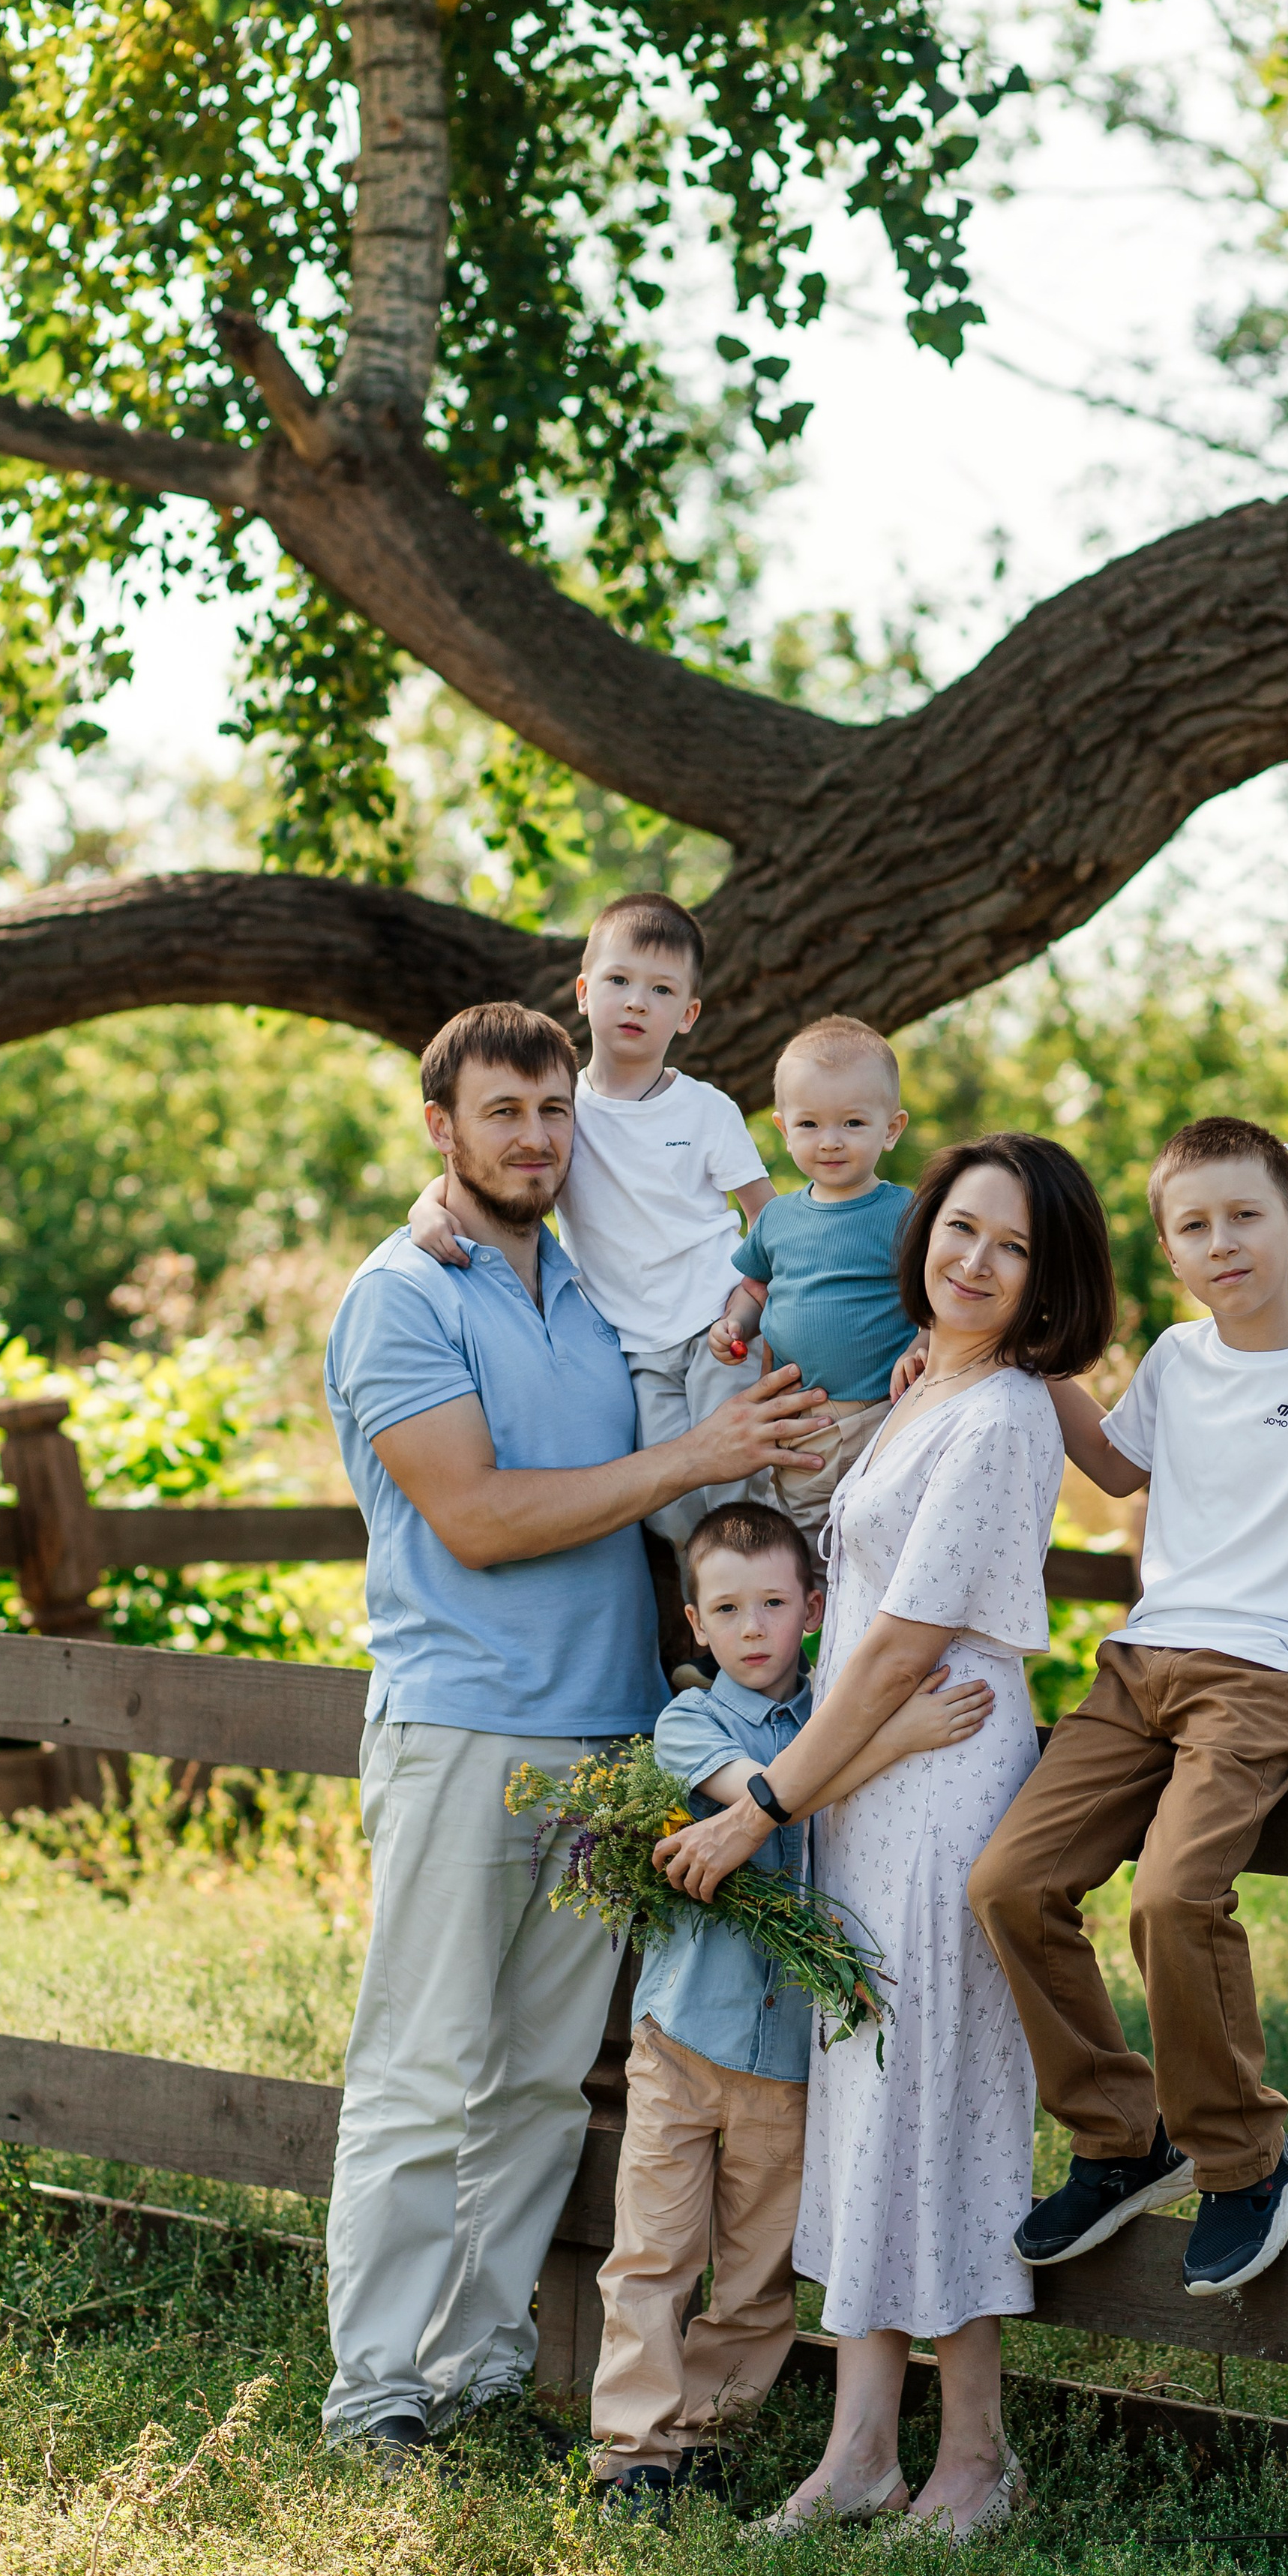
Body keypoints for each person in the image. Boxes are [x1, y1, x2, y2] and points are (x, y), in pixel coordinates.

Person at [320, 1001, 825, 2461]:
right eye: (502, 1114)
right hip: (465, 1731)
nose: (533, 1138)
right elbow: (475, 1520)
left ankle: (478, 2366)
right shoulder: (401, 1294)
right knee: (422, 2067)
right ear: (442, 1129)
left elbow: (699, 1426)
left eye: (552, 1114)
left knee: (542, 2076)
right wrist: (691, 1455)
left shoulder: (593, 1297)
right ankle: (375, 2391)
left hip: (609, 1742)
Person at [657, 1135, 1115, 2543]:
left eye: (1012, 1247)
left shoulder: (1007, 1417)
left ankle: (974, 2456)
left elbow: (905, 1644)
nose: (973, 1261)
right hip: (868, 1788)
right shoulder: (933, 1392)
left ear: (1049, 1281)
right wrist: (815, 1789)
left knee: (945, 2106)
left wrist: (764, 1803)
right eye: (960, 1229)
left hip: (936, 1785)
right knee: (867, 2106)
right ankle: (859, 2449)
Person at [969, 1115, 1288, 2300]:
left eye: (1244, 1217)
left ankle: (1247, 2160)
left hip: (1263, 1675)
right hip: (1140, 1668)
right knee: (1008, 1886)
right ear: (1170, 1250)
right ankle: (1125, 2138)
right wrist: (1012, 1359)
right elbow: (1122, 1468)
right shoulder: (1177, 1360)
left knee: (1176, 1899)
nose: (1221, 1242)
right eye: (1194, 1226)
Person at [589, 1500, 992, 2517]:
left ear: (814, 1607)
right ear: (695, 1623)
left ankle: (711, 2437)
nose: (754, 1627)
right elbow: (768, 1794)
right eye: (728, 1608)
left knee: (760, 2269)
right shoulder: (692, 1723)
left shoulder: (832, 1716)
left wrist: (872, 1728)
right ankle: (634, 2455)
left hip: (789, 2060)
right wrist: (896, 1734)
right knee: (654, 2252)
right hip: (684, 2040)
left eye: (774, 1602)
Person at [409, 892, 773, 1551]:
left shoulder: (706, 1111)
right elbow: (496, 1165)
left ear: (688, 1014)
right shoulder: (564, 1110)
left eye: (661, 990)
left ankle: (770, 1645)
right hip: (633, 1343)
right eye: (618, 981)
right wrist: (426, 1204)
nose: (636, 1001)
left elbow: (767, 1219)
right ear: (583, 992)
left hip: (714, 1320)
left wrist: (753, 1302)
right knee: (666, 1508)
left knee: (739, 1488)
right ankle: (708, 1638)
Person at [708, 1015, 925, 1570]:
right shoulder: (778, 1218)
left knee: (880, 1552)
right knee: (806, 1557)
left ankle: (876, 1652)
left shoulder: (906, 1214)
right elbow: (756, 1288)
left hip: (883, 1417)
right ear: (784, 1129)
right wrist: (734, 1324)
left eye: (853, 1123)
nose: (830, 1141)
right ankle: (812, 1654)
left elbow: (934, 1295)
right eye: (809, 1124)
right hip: (802, 1426)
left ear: (891, 1128)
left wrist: (922, 1342)